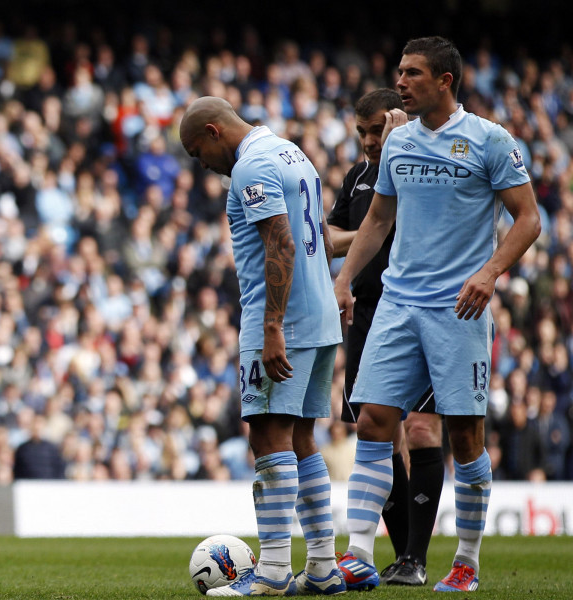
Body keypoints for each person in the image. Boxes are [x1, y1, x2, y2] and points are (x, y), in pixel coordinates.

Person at [334, 37, 540, 593]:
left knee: (466, 437)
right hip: (398, 304)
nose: (400, 82)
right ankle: (357, 554)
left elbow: (528, 219)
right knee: (374, 420)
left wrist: (490, 272)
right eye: (399, 72)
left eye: (412, 73)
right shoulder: (397, 141)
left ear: (444, 80)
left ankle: (466, 562)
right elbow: (377, 219)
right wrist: (344, 280)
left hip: (458, 308)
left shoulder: (489, 140)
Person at [180, 96, 345, 596]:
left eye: (197, 152)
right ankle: (322, 568)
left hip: (283, 320)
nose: (202, 165)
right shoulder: (292, 152)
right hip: (320, 317)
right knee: (302, 441)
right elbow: (314, 236)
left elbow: (281, 243)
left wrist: (272, 324)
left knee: (267, 440)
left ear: (213, 131)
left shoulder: (250, 166)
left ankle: (271, 573)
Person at [327, 88, 445, 587]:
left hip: (423, 311)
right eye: (362, 132)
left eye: (378, 130)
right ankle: (400, 558)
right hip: (367, 312)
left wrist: (387, 212)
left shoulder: (420, 164)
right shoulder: (356, 178)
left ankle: (416, 557)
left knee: (420, 430)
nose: (371, 140)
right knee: (375, 431)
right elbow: (330, 237)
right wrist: (371, 231)